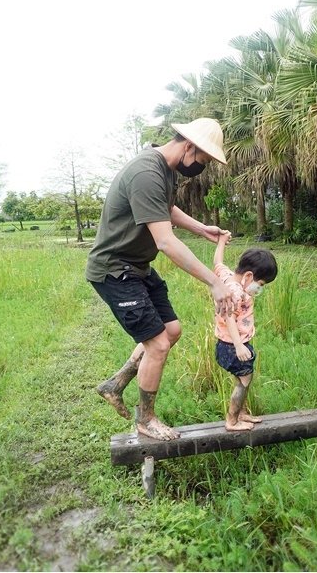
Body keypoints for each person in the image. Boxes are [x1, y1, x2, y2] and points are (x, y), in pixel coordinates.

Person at [87, 118, 235, 441]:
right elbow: (166, 242)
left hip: (136, 266)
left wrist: (201, 228)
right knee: (158, 344)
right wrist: (214, 281)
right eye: (203, 161)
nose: (202, 168)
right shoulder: (146, 172)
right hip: (115, 269)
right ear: (189, 146)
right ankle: (146, 419)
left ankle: (115, 385)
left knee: (172, 330)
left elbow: (165, 209)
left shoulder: (165, 169)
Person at [212, 233, 278, 431]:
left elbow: (218, 262)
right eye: (261, 284)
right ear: (249, 276)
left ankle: (240, 413)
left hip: (226, 343)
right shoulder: (236, 292)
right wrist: (239, 345)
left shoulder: (225, 277)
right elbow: (230, 317)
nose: (259, 289)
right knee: (245, 380)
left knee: (242, 378)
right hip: (232, 345)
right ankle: (232, 420)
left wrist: (221, 241)